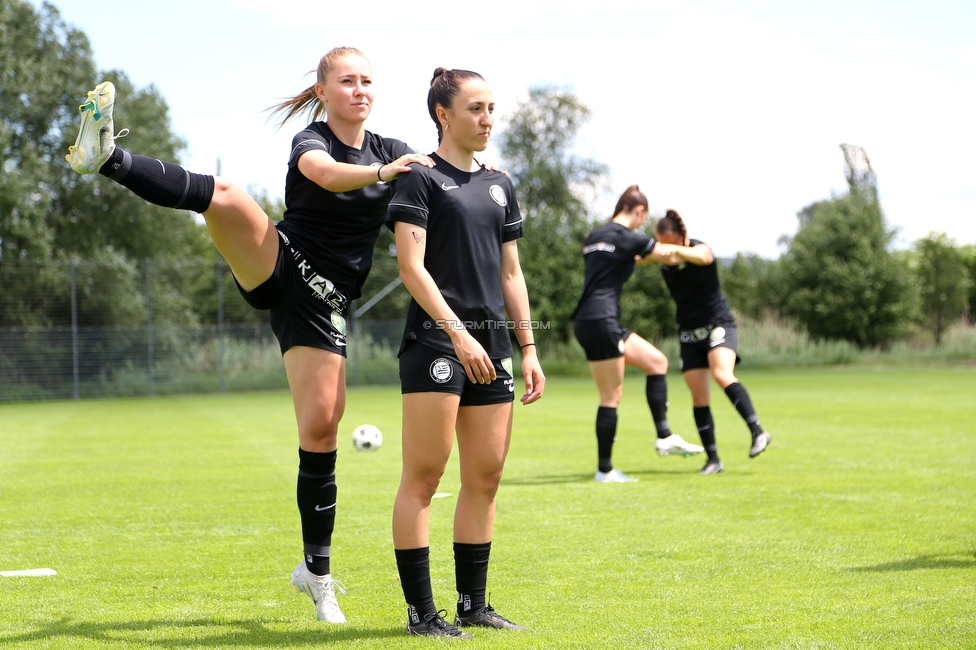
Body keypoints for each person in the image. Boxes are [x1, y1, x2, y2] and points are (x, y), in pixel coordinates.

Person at [64, 47, 435, 623]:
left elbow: (435, 190)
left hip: (326, 304)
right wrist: (384, 173)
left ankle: (315, 574)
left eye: (367, 81)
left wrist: (465, 172)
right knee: (229, 196)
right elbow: (325, 176)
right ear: (321, 91)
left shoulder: (392, 149)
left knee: (321, 428)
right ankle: (108, 158)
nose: (360, 90)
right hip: (282, 262)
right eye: (347, 81)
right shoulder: (315, 142)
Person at [386, 67, 545, 638]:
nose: (487, 119)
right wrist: (458, 332)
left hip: (494, 346)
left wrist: (528, 346)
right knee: (424, 478)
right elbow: (411, 268)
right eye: (475, 108)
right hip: (437, 342)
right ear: (443, 114)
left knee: (485, 477)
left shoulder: (501, 183)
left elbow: (511, 272)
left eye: (492, 108)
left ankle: (472, 605)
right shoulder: (420, 180)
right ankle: (421, 614)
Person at [571, 185, 704, 483]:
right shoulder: (629, 237)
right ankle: (605, 470)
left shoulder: (597, 235)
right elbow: (669, 257)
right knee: (611, 396)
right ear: (639, 211)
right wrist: (696, 249)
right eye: (643, 220)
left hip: (592, 319)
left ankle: (664, 436)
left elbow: (629, 259)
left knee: (657, 362)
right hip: (602, 320)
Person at [652, 210, 772, 474]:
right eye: (661, 243)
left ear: (681, 236)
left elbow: (704, 256)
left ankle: (758, 432)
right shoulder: (664, 260)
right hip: (688, 333)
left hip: (718, 325)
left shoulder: (699, 248)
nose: (667, 251)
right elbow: (640, 256)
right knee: (698, 395)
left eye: (670, 242)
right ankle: (713, 460)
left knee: (721, 373)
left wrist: (674, 250)